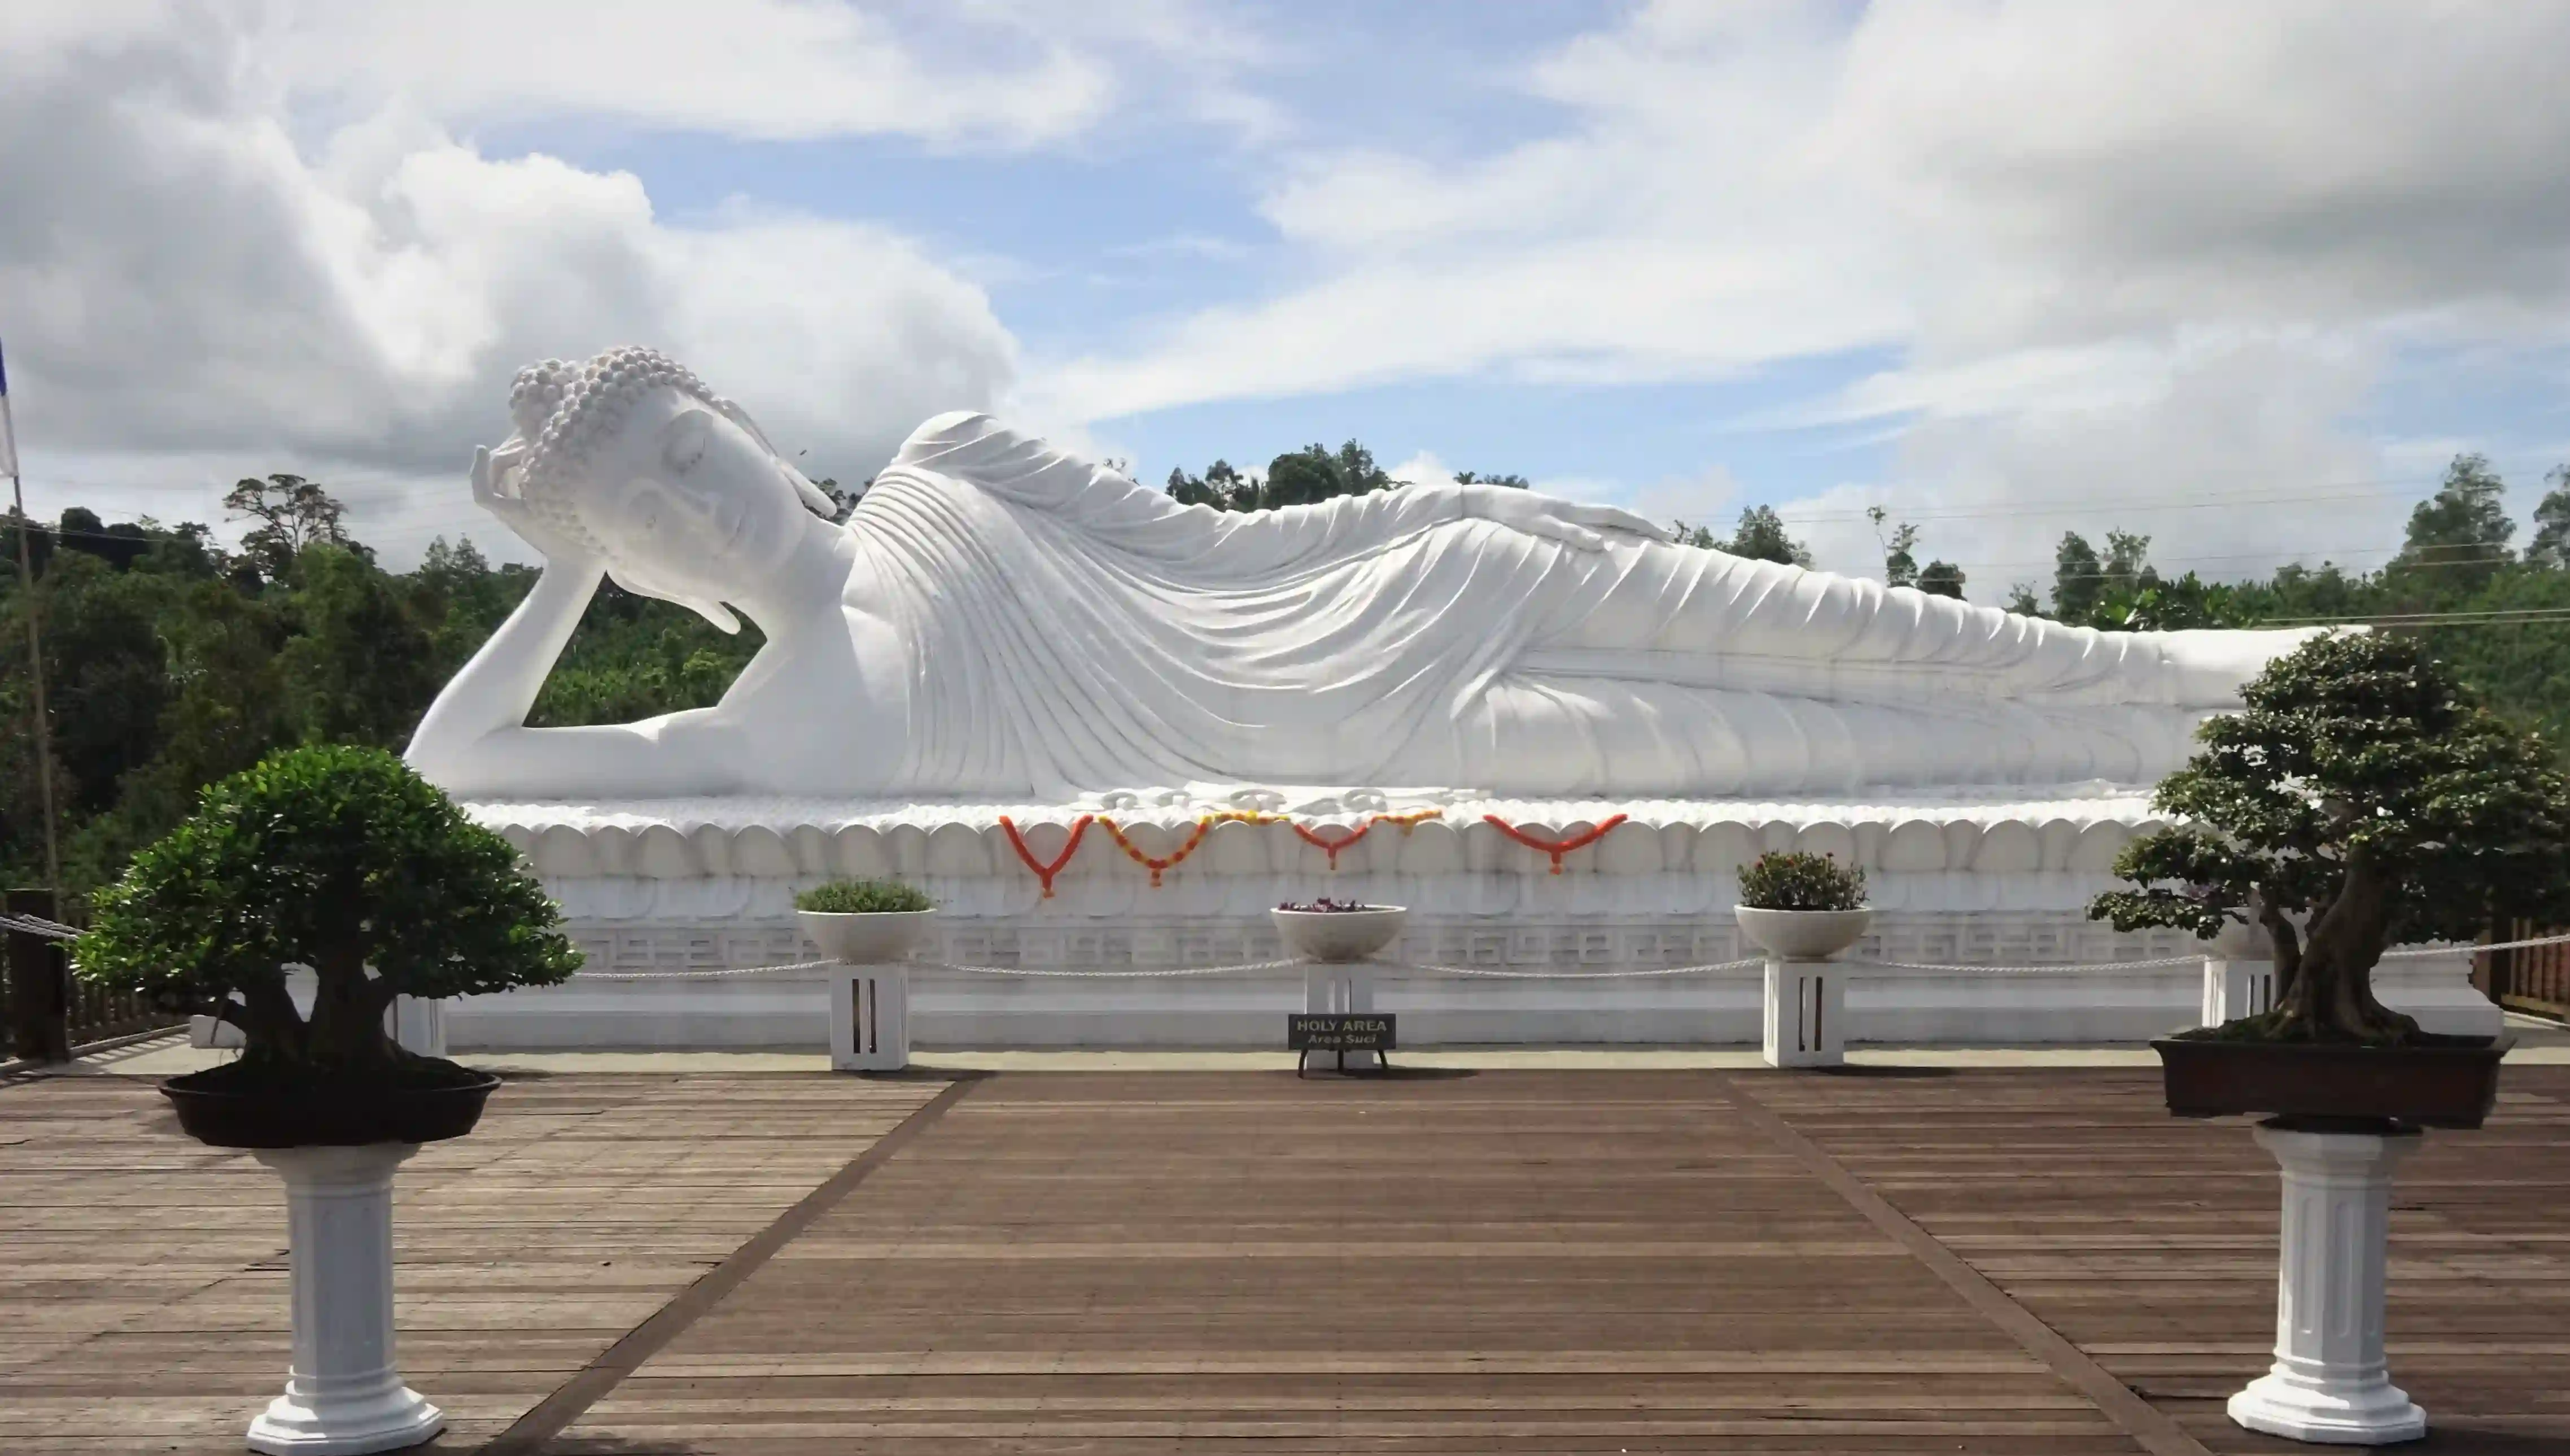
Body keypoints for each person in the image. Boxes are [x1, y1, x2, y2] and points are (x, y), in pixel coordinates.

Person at [409, 347, 2300, 802]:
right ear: (630, 557)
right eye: (648, 507)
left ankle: (2233, 673)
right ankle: (2208, 749)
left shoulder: (946, 463)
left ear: (743, 421)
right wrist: (578, 561)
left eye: (686, 446)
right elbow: (455, 769)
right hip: (1425, 733)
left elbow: (1220, 542)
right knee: (1832, 747)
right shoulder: (762, 729)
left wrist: (1446, 502)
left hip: (1396, 595)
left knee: (1876, 634)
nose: (698, 497)